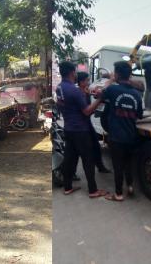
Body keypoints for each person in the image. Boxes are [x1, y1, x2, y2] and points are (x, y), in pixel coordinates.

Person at [56, 61, 108, 198]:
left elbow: (67, 104)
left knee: (70, 158)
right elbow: (86, 111)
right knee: (88, 160)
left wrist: (89, 93)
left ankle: (67, 187)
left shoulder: (60, 88)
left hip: (69, 128)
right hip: (80, 130)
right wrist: (99, 100)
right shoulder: (73, 90)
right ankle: (93, 190)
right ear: (73, 72)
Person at [102, 61, 143, 202]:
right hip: (131, 136)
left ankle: (118, 194)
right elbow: (139, 115)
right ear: (129, 74)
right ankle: (130, 186)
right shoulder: (137, 95)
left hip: (116, 137)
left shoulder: (112, 90)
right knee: (128, 163)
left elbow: (101, 92)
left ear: (117, 74)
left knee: (118, 166)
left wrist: (111, 80)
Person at [76, 72, 111, 173]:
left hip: (87, 123)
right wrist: (99, 100)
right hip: (82, 125)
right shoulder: (79, 93)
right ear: (82, 82)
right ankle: (72, 173)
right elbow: (85, 111)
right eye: (87, 80)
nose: (89, 82)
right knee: (81, 151)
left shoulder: (85, 91)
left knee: (96, 146)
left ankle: (100, 166)